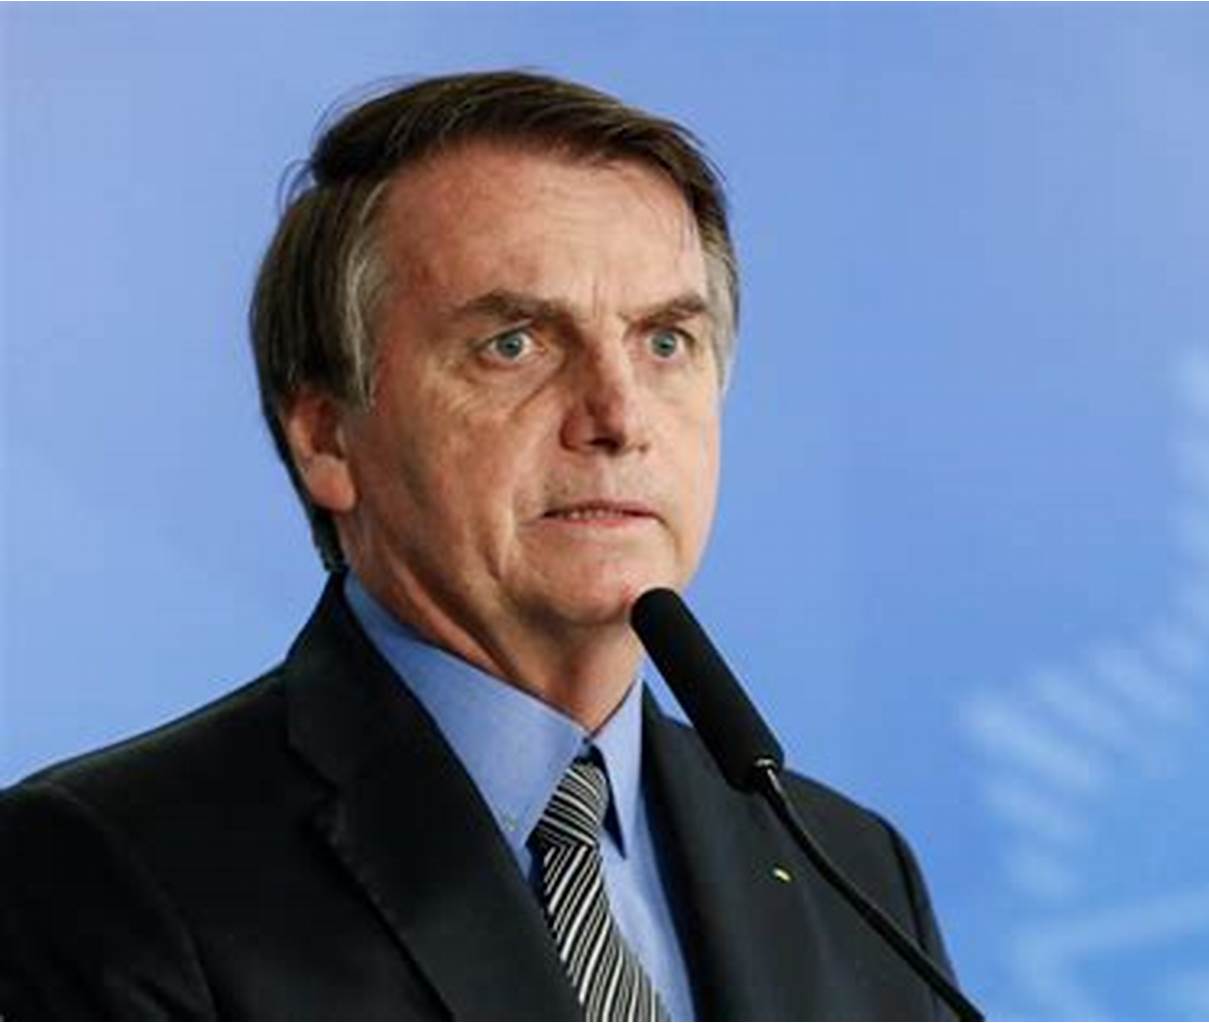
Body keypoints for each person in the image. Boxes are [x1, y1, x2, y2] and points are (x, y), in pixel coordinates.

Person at [0, 71, 957, 1019]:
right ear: (328, 436)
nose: (619, 417)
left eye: (665, 341)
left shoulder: (854, 874)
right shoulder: (100, 874)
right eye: (516, 343)